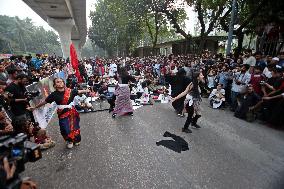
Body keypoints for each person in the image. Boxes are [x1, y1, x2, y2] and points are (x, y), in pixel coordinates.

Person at [27, 78, 90, 149]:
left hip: (72, 112)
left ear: (64, 83)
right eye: (57, 82)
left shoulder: (70, 91)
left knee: (74, 126)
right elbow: (45, 102)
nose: (60, 83)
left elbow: (78, 91)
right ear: (55, 85)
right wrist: (34, 107)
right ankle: (69, 141)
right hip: (62, 113)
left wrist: (86, 90)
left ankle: (76, 140)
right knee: (64, 128)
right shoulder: (53, 95)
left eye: (61, 81)